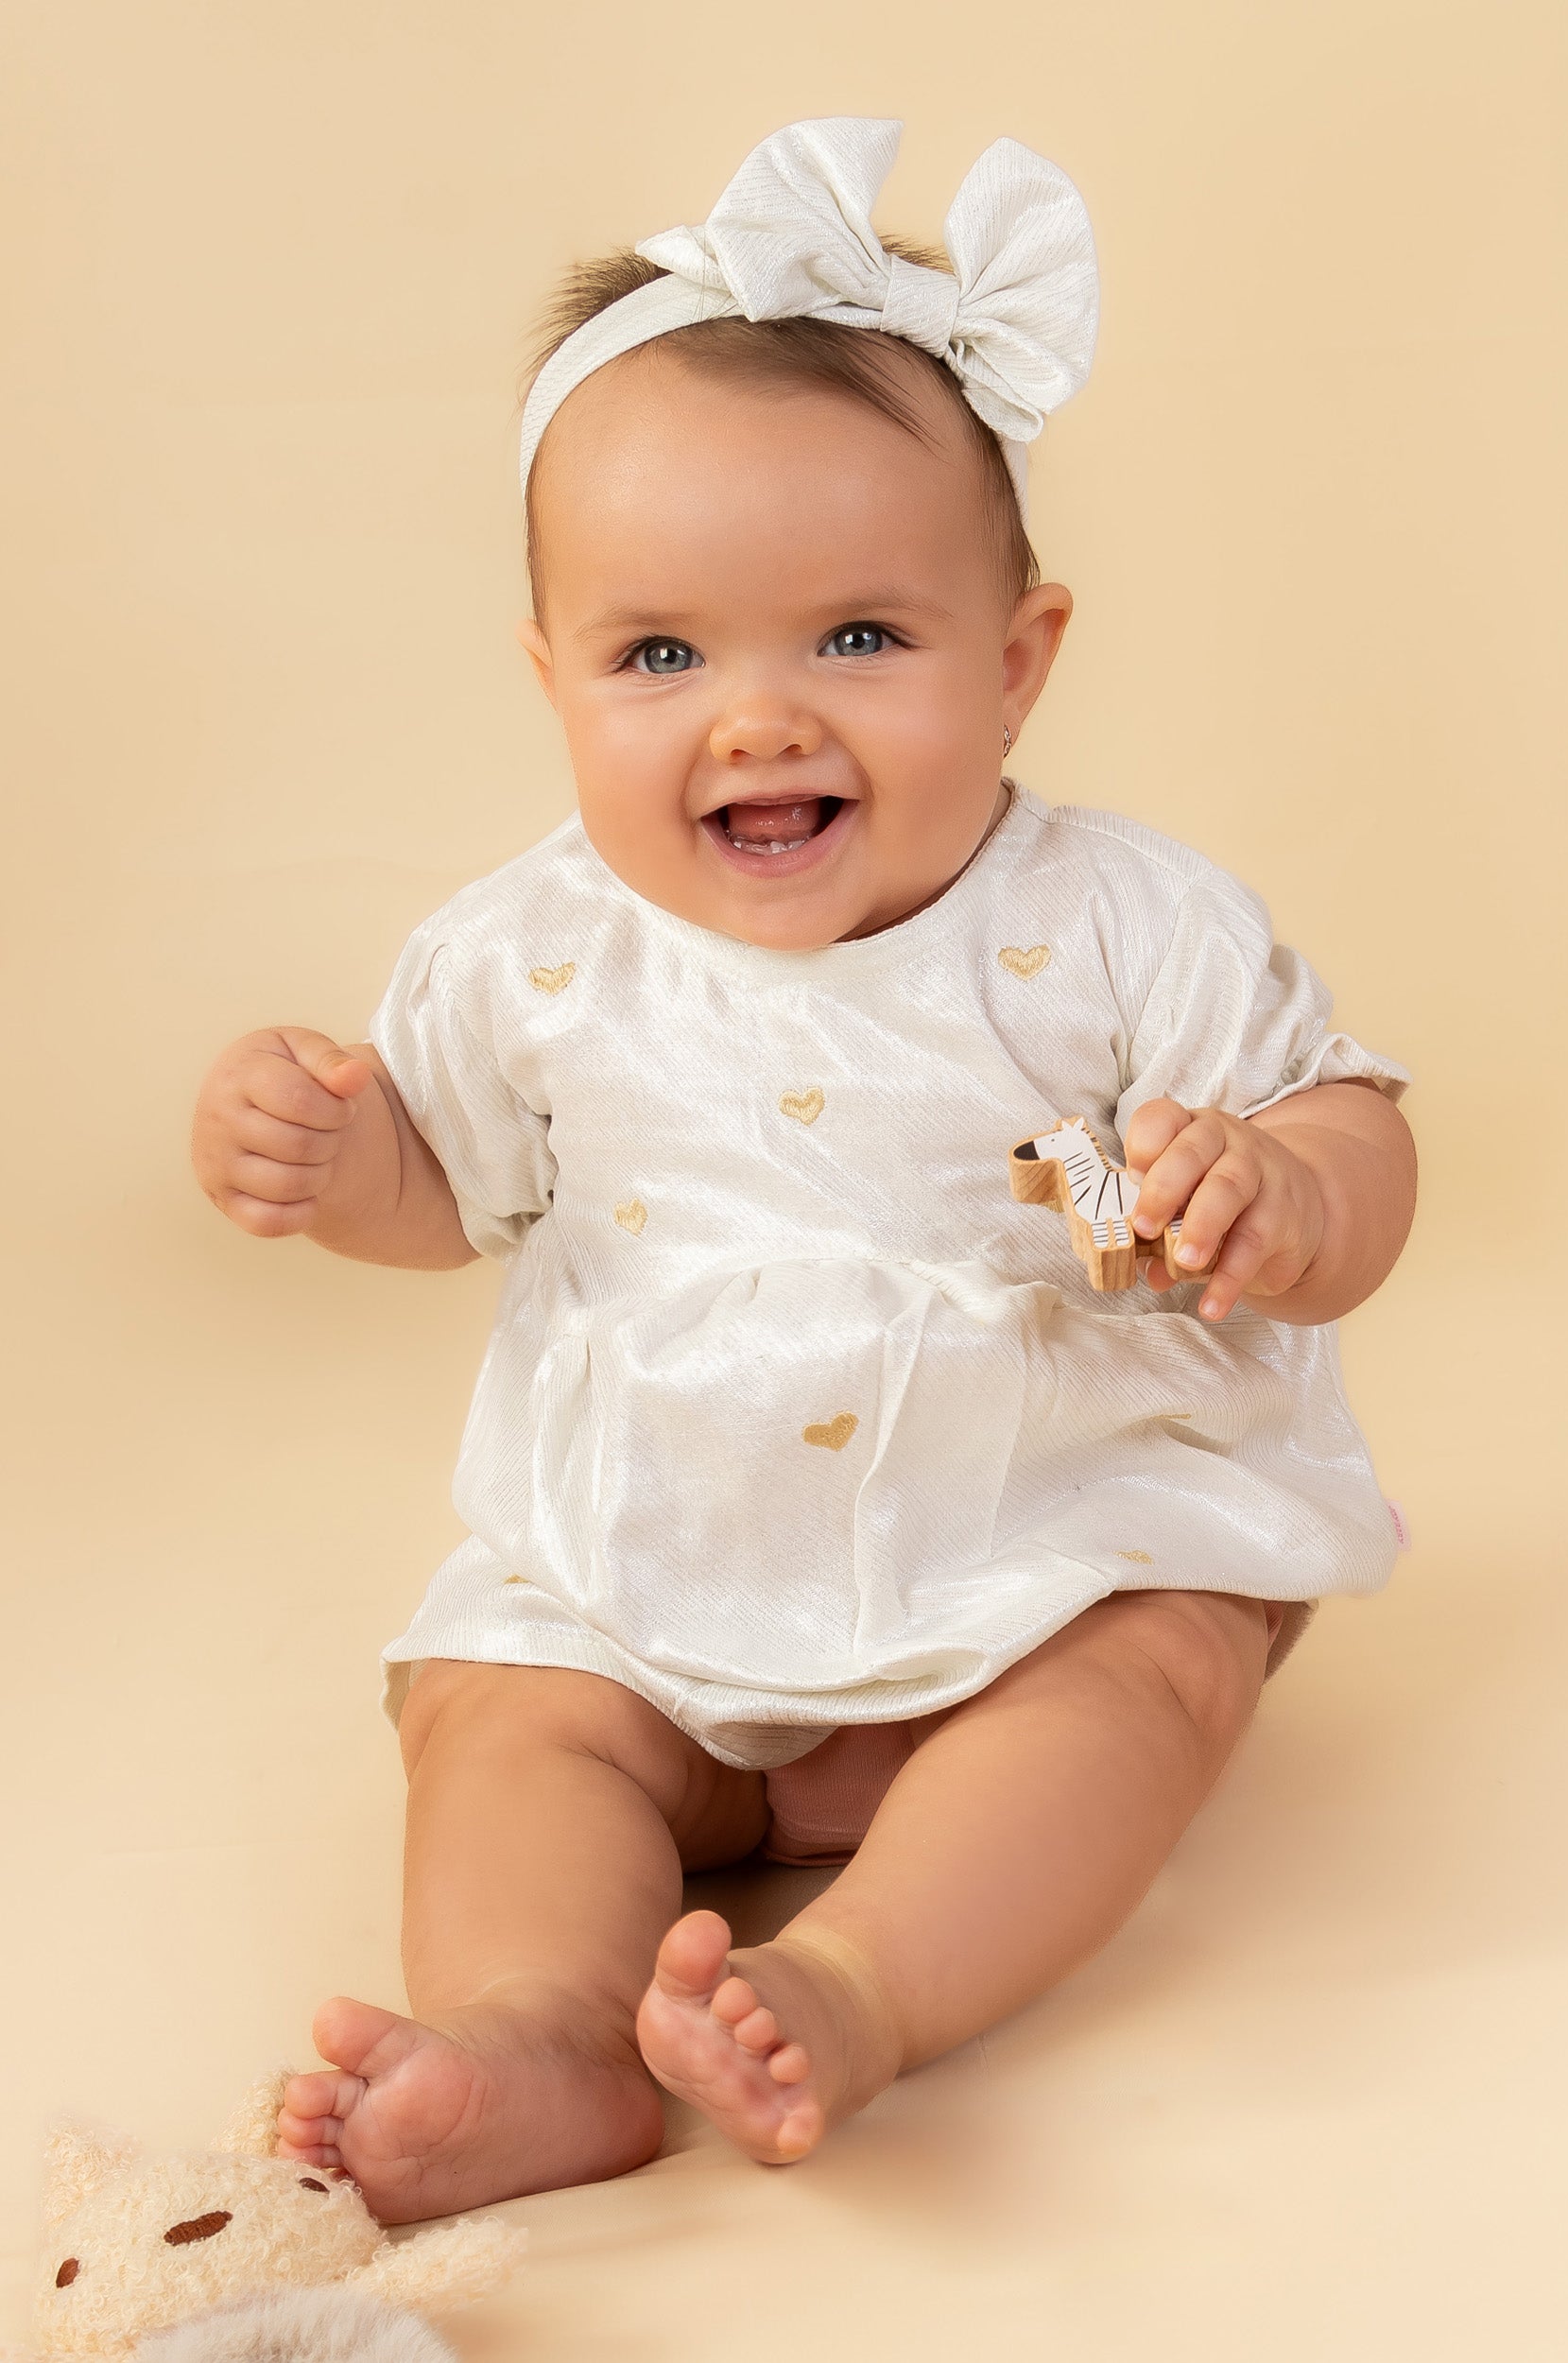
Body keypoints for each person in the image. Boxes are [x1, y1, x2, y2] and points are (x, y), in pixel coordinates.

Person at [190, 118, 1416, 2225]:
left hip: (1044, 1549)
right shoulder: (528, 955)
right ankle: (538, 2028)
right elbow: (444, 1190)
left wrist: (1291, 1190)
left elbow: (1354, 1127)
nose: (757, 719)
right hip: (644, 1571)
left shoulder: (1121, 925)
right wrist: (340, 1146)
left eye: (857, 637)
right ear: (553, 677)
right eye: (660, 655)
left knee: (1161, 1662)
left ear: (1017, 656)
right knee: (502, 1706)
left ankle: (851, 1983)